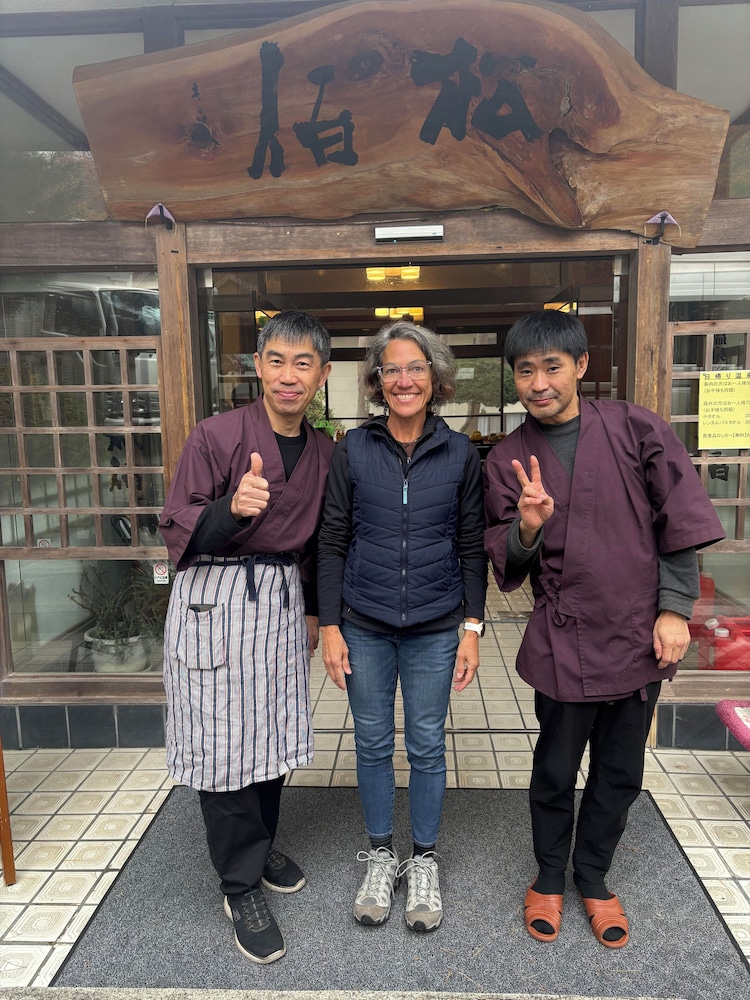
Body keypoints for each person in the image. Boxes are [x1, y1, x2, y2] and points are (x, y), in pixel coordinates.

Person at [484, 310, 724, 948]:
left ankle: (593, 875)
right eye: (525, 371)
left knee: (620, 770)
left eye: (552, 367)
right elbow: (506, 557)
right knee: (554, 768)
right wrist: (528, 526)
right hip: (564, 635)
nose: (539, 383)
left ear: (581, 366)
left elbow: (679, 520)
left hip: (640, 631)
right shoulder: (507, 457)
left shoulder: (634, 426)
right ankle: (548, 875)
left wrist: (676, 608)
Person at [159, 310, 334, 964]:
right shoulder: (216, 435)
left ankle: (257, 846)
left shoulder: (323, 453)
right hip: (217, 597)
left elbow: (320, 544)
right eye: (277, 360)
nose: (289, 376)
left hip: (281, 601)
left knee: (271, 733)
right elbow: (176, 524)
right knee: (222, 742)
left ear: (321, 374)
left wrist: (314, 609)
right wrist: (229, 510)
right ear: (258, 366)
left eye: (303, 363)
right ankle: (239, 885)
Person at [318, 320, 487, 932]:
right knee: (369, 742)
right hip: (363, 622)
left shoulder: (461, 453)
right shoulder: (353, 449)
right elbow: (332, 539)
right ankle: (380, 855)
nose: (404, 379)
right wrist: (330, 627)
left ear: (435, 378)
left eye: (416, 367)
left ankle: (424, 860)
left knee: (425, 744)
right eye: (392, 369)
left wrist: (472, 628)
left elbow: (472, 545)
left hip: (436, 626)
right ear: (377, 380)